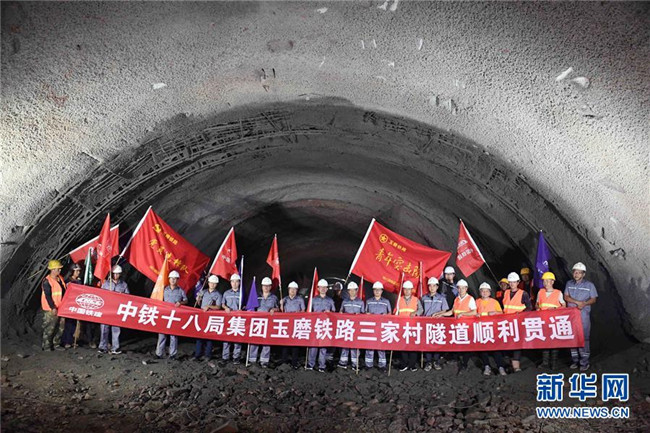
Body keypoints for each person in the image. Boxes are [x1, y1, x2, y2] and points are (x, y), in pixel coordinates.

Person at [564, 262, 597, 371]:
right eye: (575, 272)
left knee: (584, 338)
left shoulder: (589, 285)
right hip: (571, 315)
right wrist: (578, 302)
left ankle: (584, 362)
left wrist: (584, 304)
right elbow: (566, 297)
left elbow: (593, 299)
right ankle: (575, 360)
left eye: (579, 272)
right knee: (572, 337)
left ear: (583, 274)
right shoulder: (569, 283)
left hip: (583, 315)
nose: (576, 274)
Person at [442, 279, 477, 374]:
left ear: (466, 288)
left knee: (466, 346)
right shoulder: (456, 299)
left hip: (467, 326)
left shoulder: (470, 299)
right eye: (459, 288)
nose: (461, 290)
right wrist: (441, 314)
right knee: (455, 343)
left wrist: (463, 314)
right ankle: (455, 359)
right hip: (457, 326)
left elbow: (474, 312)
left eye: (463, 288)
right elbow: (452, 312)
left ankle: (465, 364)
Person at [502, 272, 533, 372]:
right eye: (510, 282)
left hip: (518, 322)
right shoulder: (506, 293)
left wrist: (520, 314)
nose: (512, 284)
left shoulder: (523, 293)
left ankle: (516, 365)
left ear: (518, 282)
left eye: (514, 282)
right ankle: (509, 363)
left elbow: (529, 308)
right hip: (506, 322)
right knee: (507, 342)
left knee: (516, 342)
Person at [476, 282, 507, 376]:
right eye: (483, 291)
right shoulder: (477, 302)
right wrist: (475, 315)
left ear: (490, 292)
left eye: (486, 291)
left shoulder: (494, 302)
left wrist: (495, 313)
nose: (484, 293)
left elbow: (501, 313)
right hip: (481, 328)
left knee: (496, 348)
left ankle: (500, 367)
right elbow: (472, 312)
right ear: (480, 292)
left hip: (493, 328)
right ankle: (487, 366)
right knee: (483, 349)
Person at [536, 272, 566, 370]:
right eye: (544, 281)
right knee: (544, 341)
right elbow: (537, 303)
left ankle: (554, 363)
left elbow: (564, 305)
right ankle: (545, 362)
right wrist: (537, 308)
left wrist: (555, 309)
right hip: (543, 321)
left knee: (554, 342)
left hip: (554, 322)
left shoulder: (558, 293)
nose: (545, 283)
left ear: (552, 282)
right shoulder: (540, 292)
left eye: (547, 281)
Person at [98, 265, 130, 354]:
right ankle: (103, 347)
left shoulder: (124, 285)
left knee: (116, 330)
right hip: (107, 310)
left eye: (117, 274)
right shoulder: (106, 284)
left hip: (117, 310)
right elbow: (101, 295)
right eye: (114, 274)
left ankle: (115, 348)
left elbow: (128, 297)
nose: (116, 276)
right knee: (104, 329)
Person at [156, 270, 187, 359]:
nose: (173, 280)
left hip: (174, 316)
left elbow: (186, 300)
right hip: (164, 314)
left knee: (173, 335)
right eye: (171, 278)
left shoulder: (181, 291)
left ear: (178, 280)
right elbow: (158, 298)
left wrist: (180, 303)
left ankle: (172, 354)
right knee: (162, 334)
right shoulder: (164, 289)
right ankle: (159, 353)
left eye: (175, 279)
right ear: (169, 279)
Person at [248, 277, 279, 368]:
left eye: (268, 286)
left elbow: (278, 308)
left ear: (270, 287)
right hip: (257, 321)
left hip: (268, 322)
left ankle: (264, 361)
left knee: (266, 341)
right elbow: (250, 307)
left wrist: (274, 309)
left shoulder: (274, 298)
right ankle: (252, 359)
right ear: (261, 286)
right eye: (264, 286)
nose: (266, 287)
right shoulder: (256, 296)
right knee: (255, 340)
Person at [420, 277, 449, 371]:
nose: (432, 288)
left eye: (434, 286)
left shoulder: (441, 298)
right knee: (427, 343)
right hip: (426, 324)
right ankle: (428, 362)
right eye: (430, 286)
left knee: (437, 342)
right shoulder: (424, 298)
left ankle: (436, 361)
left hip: (438, 324)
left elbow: (444, 310)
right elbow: (421, 310)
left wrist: (438, 314)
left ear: (437, 287)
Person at [307, 279, 336, 372]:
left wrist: (329, 312)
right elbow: (309, 312)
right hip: (315, 326)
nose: (323, 289)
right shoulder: (313, 300)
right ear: (318, 288)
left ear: (327, 289)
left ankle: (321, 366)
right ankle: (311, 364)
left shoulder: (330, 300)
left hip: (325, 326)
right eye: (321, 287)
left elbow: (334, 313)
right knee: (313, 346)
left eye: (324, 287)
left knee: (323, 347)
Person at [194, 274, 222, 361]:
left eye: (214, 283)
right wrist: (198, 299)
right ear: (208, 283)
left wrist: (209, 306)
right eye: (211, 283)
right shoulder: (203, 291)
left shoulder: (218, 295)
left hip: (211, 317)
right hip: (202, 316)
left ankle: (207, 355)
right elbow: (198, 302)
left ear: (216, 284)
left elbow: (218, 307)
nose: (212, 285)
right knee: (199, 336)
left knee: (209, 337)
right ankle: (197, 355)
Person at [365, 282, 392, 372]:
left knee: (381, 346)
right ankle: (368, 365)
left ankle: (382, 365)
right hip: (371, 327)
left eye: (379, 290)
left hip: (382, 328)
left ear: (382, 291)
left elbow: (390, 313)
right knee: (370, 345)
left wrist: (386, 315)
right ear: (373, 291)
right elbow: (364, 313)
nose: (377, 291)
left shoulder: (386, 302)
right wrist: (367, 314)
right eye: (375, 290)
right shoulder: (368, 301)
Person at [337, 282, 364, 370]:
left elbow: (364, 314)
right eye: (350, 290)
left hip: (356, 327)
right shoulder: (345, 301)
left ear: (357, 291)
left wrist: (359, 315)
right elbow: (341, 311)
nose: (352, 292)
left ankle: (355, 363)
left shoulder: (360, 302)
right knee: (345, 344)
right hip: (346, 326)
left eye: (354, 290)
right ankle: (343, 362)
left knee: (355, 345)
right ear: (348, 291)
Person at [41, 259, 67, 351]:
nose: (60, 270)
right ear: (52, 270)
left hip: (61, 307)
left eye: (60, 268)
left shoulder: (60, 278)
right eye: (58, 269)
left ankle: (56, 344)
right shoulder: (47, 281)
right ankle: (46, 346)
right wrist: (53, 307)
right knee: (50, 327)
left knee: (61, 327)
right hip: (50, 308)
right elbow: (48, 296)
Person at [397, 280, 422, 372]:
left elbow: (421, 310)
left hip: (413, 326)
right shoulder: (399, 299)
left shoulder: (416, 300)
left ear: (412, 290)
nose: (407, 291)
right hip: (402, 326)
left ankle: (412, 365)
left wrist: (416, 313)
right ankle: (404, 364)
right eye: (405, 289)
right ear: (403, 290)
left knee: (413, 346)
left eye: (409, 289)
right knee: (403, 346)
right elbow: (395, 312)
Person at [280, 281, 305, 369]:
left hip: (296, 324)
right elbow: (280, 311)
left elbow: (303, 311)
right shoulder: (284, 299)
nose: (293, 291)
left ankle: (294, 363)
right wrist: (281, 305)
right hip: (287, 324)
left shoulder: (300, 299)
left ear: (297, 290)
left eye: (294, 289)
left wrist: (299, 313)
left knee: (295, 344)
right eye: (291, 289)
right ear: (288, 290)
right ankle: (284, 361)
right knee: (285, 343)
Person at [221, 273, 243, 365]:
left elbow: (247, 305)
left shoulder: (242, 293)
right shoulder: (226, 293)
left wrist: (242, 309)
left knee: (237, 338)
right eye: (233, 281)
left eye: (236, 282)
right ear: (230, 282)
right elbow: (222, 304)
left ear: (239, 283)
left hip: (238, 319)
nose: (234, 283)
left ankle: (236, 357)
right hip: (228, 318)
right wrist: (226, 307)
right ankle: (225, 357)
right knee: (226, 338)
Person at [61, 263, 83, 348]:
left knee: (74, 324)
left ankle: (72, 340)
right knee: (68, 324)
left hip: (77, 304)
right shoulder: (68, 281)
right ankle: (66, 341)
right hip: (69, 304)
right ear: (72, 271)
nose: (78, 273)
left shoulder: (79, 281)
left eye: (79, 271)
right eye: (76, 271)